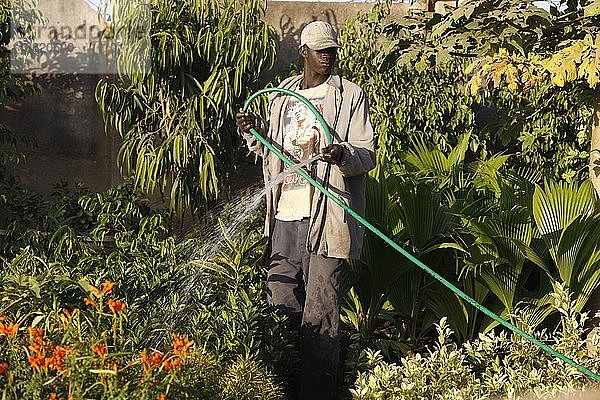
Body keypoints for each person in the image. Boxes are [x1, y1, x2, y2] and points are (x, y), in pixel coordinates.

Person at [236, 20, 376, 400]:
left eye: (333, 50)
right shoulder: (281, 98)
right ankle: (282, 388)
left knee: (321, 310)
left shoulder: (350, 95)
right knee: (280, 302)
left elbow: (366, 154)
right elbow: (270, 151)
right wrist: (254, 130)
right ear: (305, 53)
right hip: (284, 215)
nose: (328, 57)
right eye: (321, 51)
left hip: (327, 218)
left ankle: (318, 393)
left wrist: (342, 153)